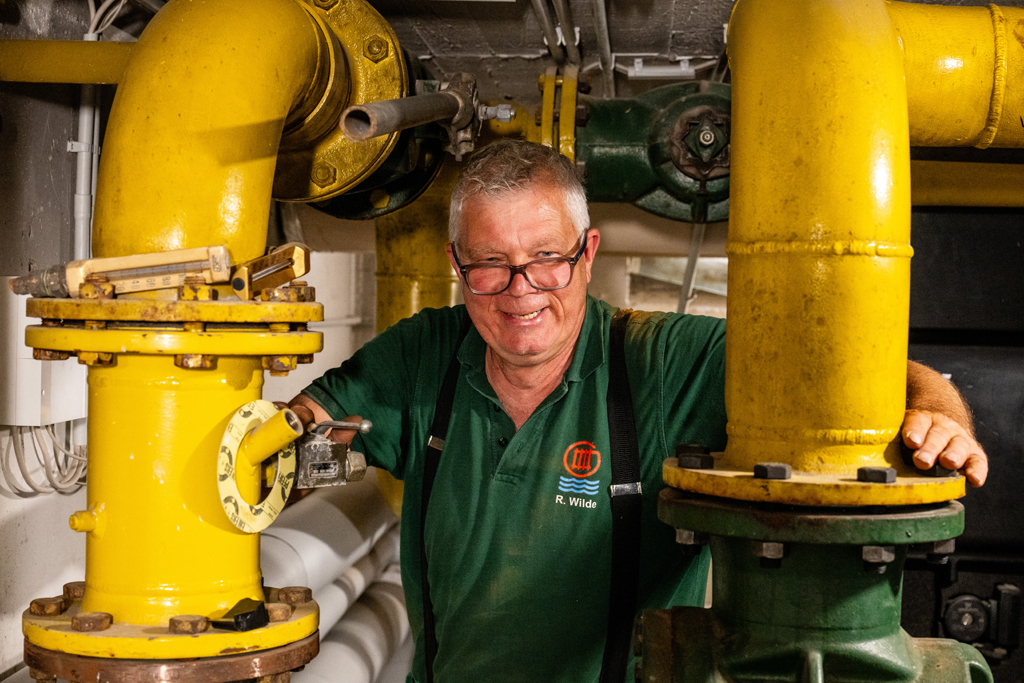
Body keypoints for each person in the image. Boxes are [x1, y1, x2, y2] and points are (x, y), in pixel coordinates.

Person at [284, 139, 988, 682]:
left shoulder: (665, 363)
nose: (519, 290)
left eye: (546, 258)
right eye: (489, 263)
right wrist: (273, 443)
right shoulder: (423, 357)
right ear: (456, 264)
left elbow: (868, 377)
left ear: (588, 253)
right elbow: (304, 427)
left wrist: (938, 412)